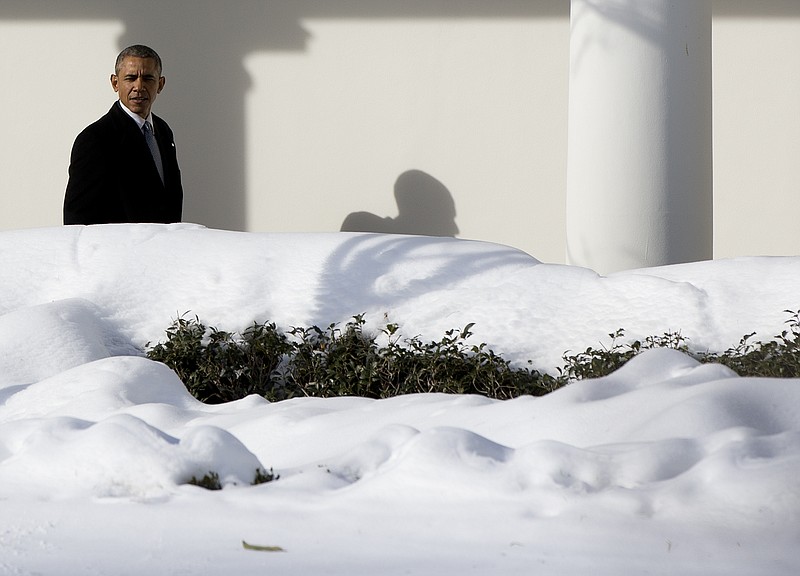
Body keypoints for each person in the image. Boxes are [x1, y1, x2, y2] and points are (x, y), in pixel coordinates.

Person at [64, 45, 183, 225]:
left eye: (148, 78)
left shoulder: (163, 131)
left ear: (160, 84)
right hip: (118, 251)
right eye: (130, 78)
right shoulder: (95, 139)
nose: (139, 86)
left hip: (162, 249)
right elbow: (77, 220)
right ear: (115, 83)